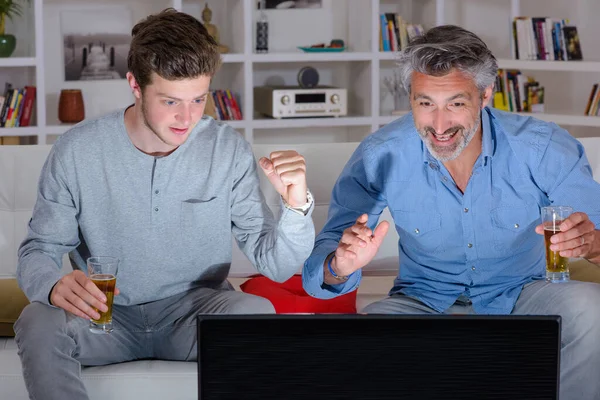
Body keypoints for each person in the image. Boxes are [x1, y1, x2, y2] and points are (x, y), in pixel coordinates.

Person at [15, 8, 314, 400]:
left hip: (194, 314)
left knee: (255, 312)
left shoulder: (227, 150)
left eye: (198, 100)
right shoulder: (77, 150)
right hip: (104, 318)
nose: (186, 118)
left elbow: (275, 263)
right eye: (171, 101)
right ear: (135, 86)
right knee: (36, 318)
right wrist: (52, 284)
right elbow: (39, 248)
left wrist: (295, 205)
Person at [303, 25, 600, 399]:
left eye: (456, 104)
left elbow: (596, 234)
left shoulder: (541, 147)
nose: (438, 126)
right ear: (410, 96)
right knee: (364, 341)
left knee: (590, 307)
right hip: (420, 302)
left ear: (486, 94)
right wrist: (339, 265)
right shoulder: (381, 152)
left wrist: (590, 243)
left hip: (522, 296)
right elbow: (326, 257)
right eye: (425, 103)